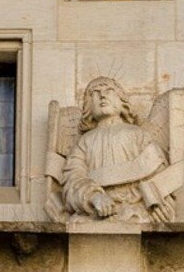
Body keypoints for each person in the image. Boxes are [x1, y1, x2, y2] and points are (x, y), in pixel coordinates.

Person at [61, 76, 174, 223]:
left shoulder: (138, 135)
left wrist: (156, 204)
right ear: (88, 106)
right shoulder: (84, 142)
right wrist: (94, 197)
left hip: (135, 212)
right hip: (95, 214)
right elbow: (73, 179)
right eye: (95, 92)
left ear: (122, 101)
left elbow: (157, 171)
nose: (102, 95)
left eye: (109, 91)